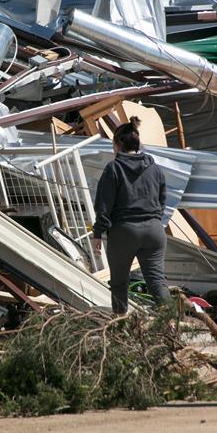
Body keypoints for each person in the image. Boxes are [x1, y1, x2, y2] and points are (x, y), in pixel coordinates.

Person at [92, 117, 172, 314]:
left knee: (119, 283)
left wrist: (98, 232)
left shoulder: (114, 168)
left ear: (118, 144)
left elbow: (104, 204)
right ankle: (171, 324)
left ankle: (120, 329)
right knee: (157, 281)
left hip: (124, 232)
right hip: (154, 231)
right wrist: (154, 219)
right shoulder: (155, 169)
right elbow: (163, 199)